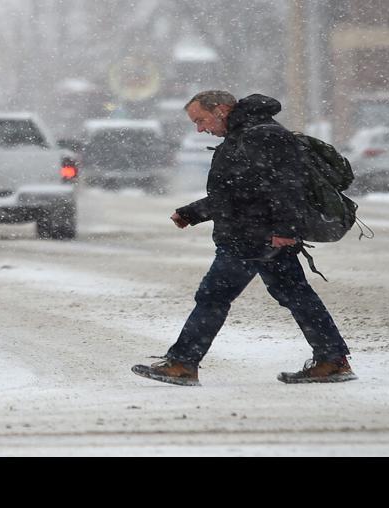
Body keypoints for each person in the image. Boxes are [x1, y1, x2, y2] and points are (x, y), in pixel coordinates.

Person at [131, 91, 355, 387]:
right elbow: (237, 192)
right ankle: (332, 360)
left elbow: (287, 185)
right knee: (297, 296)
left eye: (201, 120)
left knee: (214, 296)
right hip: (257, 234)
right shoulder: (246, 136)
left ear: (222, 109)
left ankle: (183, 363)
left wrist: (287, 229)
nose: (200, 128)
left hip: (253, 237)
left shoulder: (262, 136)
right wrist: (193, 212)